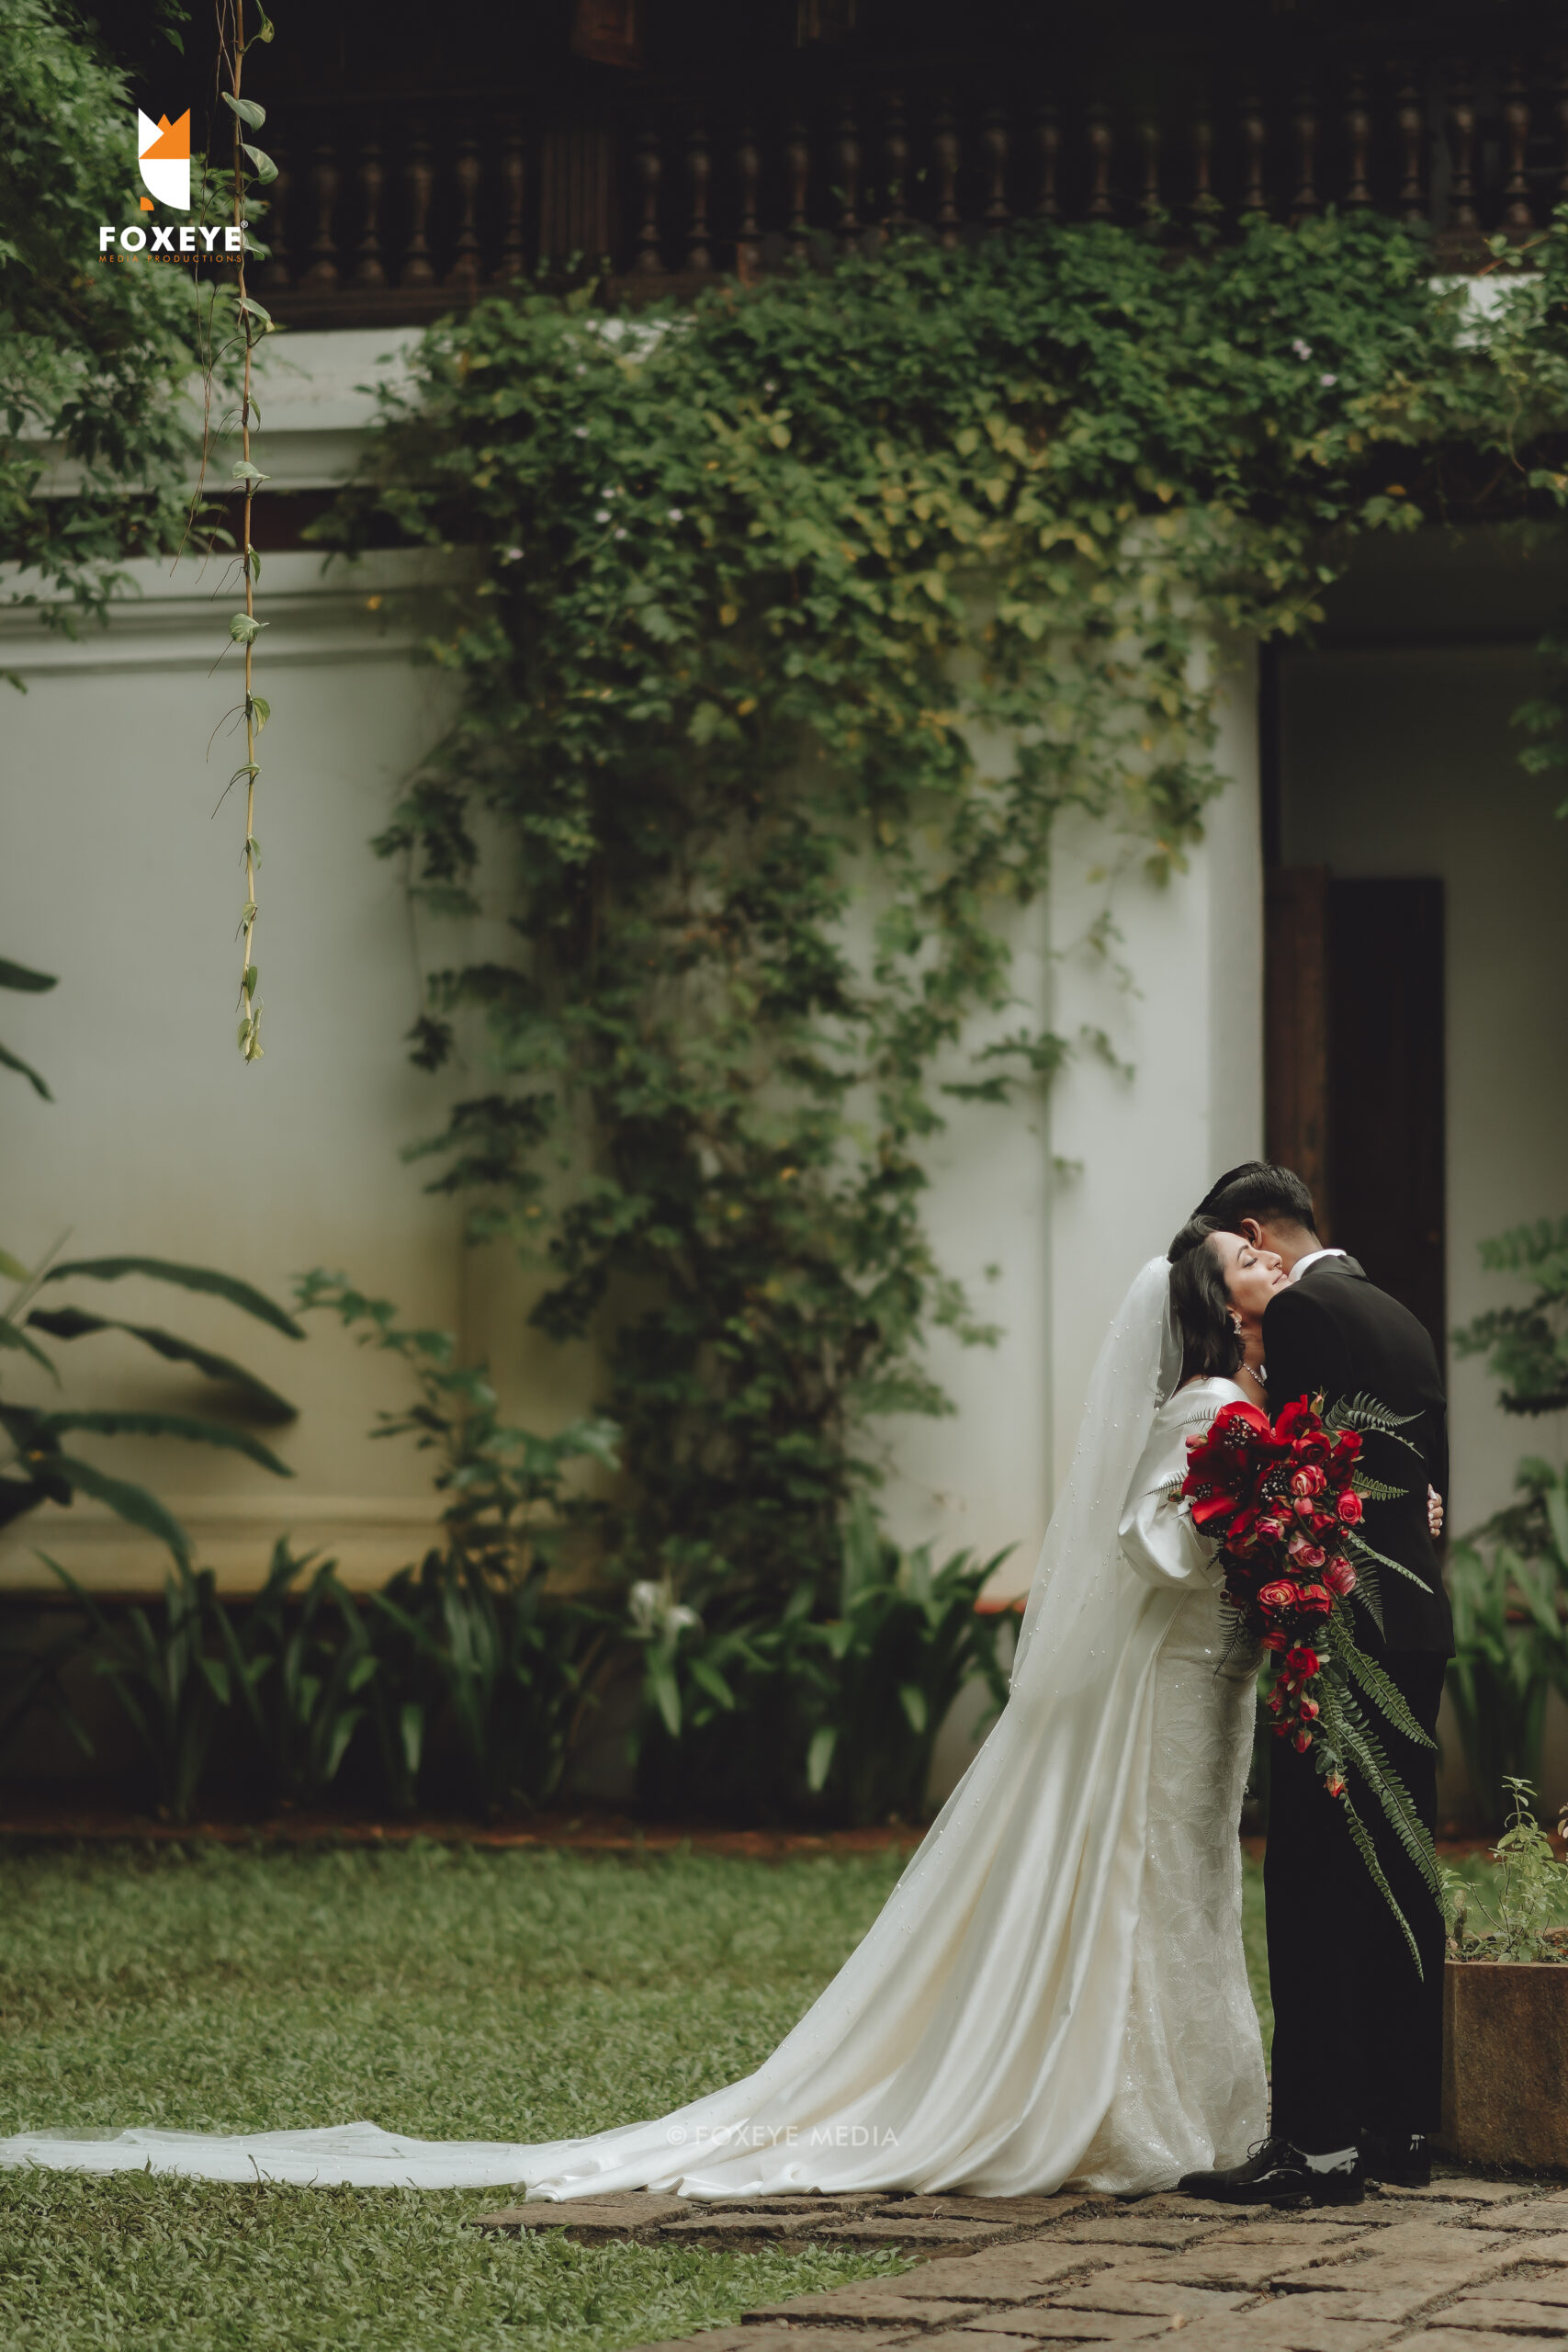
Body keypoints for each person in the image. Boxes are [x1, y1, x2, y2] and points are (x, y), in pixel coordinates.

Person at [1, 1244, 1278, 2200]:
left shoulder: (1238, 1405)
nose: (1265, 1262)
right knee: (1157, 1880)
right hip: (1171, 1683)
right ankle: (1134, 2109)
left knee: (1182, 1880)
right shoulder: (1207, 1410)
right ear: (1211, 1308)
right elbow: (1151, 1541)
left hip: (1198, 1681)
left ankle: (1185, 2105)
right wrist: (1257, 1520)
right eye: (1245, 1259)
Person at [1171, 1161, 1451, 2210]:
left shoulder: (1301, 1313)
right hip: (1416, 1624)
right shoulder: (1399, 1314)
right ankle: (1399, 2126)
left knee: (1313, 1878)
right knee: (1401, 1871)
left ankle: (1318, 2143)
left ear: (1256, 1234)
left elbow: (1297, 1483)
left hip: (1336, 1631)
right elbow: (1410, 1484)